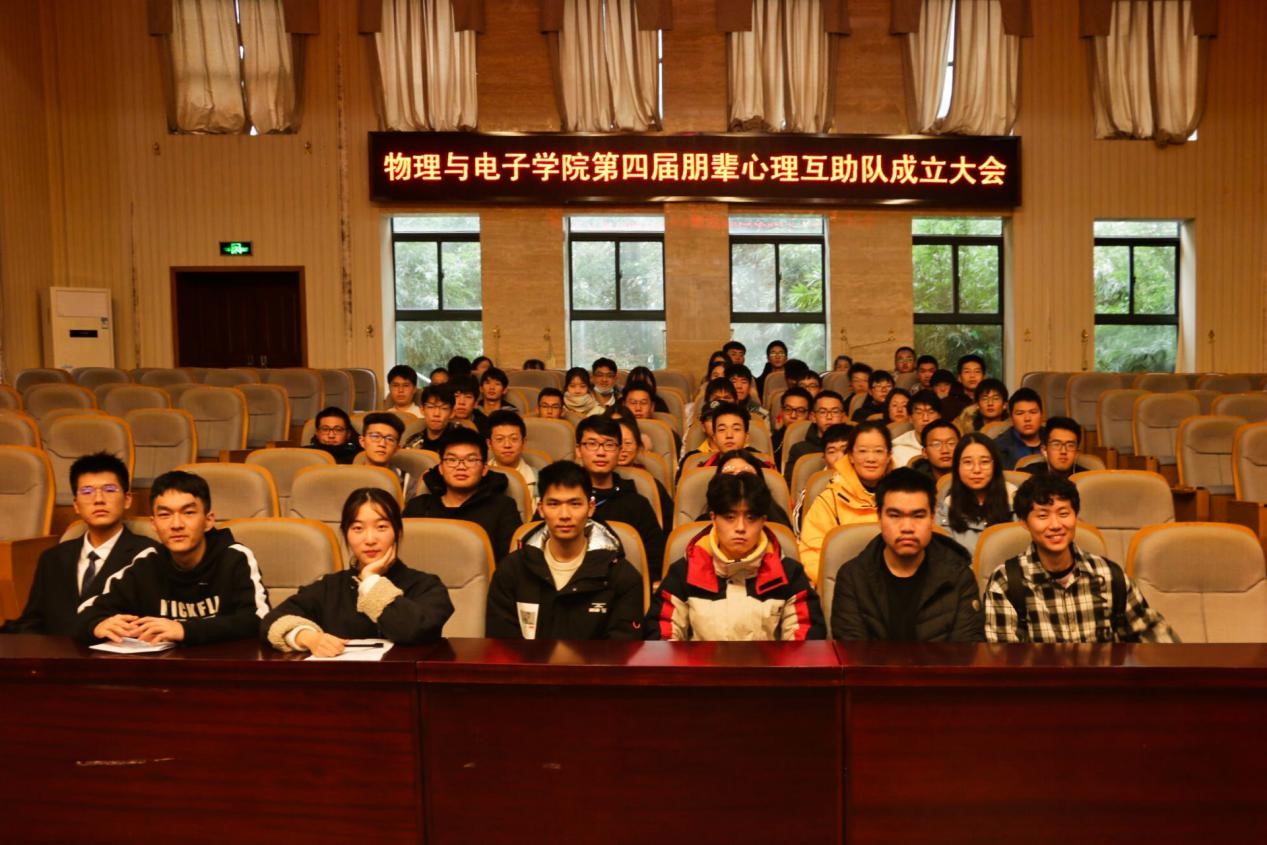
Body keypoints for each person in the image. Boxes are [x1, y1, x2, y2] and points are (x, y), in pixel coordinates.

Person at [74, 470, 270, 645]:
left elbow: (259, 620)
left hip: (223, 667)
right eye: (165, 515)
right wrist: (97, 625)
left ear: (208, 520)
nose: (176, 525)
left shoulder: (234, 558)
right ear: (154, 524)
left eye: (188, 513)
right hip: (162, 668)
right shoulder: (146, 563)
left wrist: (184, 630)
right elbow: (85, 612)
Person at [985, 474, 1178, 643]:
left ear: (1076, 516)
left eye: (1063, 513)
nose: (1055, 525)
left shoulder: (1109, 575)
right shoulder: (1006, 582)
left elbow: (1153, 634)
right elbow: (1004, 659)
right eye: (1043, 516)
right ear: (1024, 523)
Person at [261, 488, 453, 655]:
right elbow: (272, 622)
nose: (370, 539)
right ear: (346, 535)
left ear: (397, 532)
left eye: (381, 527)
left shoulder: (426, 586)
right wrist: (307, 637)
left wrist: (370, 581)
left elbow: (412, 630)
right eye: (358, 528)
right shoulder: (329, 587)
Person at [648, 472, 825, 641]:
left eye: (750, 518)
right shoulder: (685, 571)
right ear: (713, 518)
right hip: (699, 664)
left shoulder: (788, 573)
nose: (740, 527)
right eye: (730, 517)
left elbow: (805, 639)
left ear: (763, 521)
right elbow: (662, 633)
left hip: (768, 664)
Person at [4, 453, 159, 636]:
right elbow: (32, 622)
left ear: (127, 499)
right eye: (87, 491)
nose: (98, 499)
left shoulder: (150, 555)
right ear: (76, 505)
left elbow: (153, 626)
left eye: (109, 490)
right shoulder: (52, 558)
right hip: (55, 653)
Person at [486, 461, 645, 640]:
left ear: (590, 508)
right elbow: (501, 644)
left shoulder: (621, 575)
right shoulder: (511, 570)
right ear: (541, 509)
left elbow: (622, 649)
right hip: (528, 660)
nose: (564, 515)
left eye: (575, 504)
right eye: (554, 504)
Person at [830, 468, 983, 642]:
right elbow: (851, 652)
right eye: (895, 516)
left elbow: (966, 652)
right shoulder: (853, 578)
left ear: (932, 517)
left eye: (918, 516)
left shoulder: (959, 577)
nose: (907, 527)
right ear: (879, 517)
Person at [403, 427, 522, 561]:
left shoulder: (503, 508)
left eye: (471, 460)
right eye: (452, 460)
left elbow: (511, 564)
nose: (461, 467)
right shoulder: (417, 507)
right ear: (441, 468)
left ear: (484, 469)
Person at [799, 422, 893, 586]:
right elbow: (811, 556)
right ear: (850, 456)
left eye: (878, 451)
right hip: (844, 588)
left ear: (889, 456)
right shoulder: (830, 501)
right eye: (862, 451)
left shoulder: (905, 497)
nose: (871, 458)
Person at [573, 416, 666, 581]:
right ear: (578, 450)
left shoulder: (637, 504)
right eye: (592, 444)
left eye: (609, 445)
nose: (601, 452)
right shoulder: (563, 499)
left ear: (619, 451)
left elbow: (656, 562)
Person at [935, 433, 1017, 554]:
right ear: (957, 467)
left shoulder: (1016, 502)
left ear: (995, 465)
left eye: (984, 462)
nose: (977, 470)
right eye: (968, 462)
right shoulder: (945, 510)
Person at [697, 449, 793, 529]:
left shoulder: (778, 521)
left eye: (746, 475)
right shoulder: (703, 523)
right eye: (730, 474)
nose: (738, 481)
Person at [784, 390, 847, 484]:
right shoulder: (800, 450)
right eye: (823, 412)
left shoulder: (854, 445)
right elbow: (791, 486)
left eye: (835, 411)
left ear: (843, 416)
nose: (829, 417)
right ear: (813, 417)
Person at [360, 412, 415, 497]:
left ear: (397, 448)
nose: (382, 444)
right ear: (362, 441)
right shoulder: (348, 475)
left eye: (390, 439)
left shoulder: (407, 482)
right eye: (375, 436)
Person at [487, 410, 538, 501]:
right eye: (500, 439)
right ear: (489, 444)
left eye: (514, 439)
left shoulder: (537, 478)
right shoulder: (479, 476)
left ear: (523, 442)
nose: (507, 445)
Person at [993, 387, 1044, 470]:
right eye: (1020, 413)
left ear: (1042, 415)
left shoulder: (1053, 440)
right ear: (1011, 418)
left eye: (1033, 412)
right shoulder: (999, 447)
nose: (1027, 418)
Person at [1022, 417, 1089, 479]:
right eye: (1056, 444)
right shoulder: (1027, 475)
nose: (1063, 451)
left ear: (1077, 452)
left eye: (1070, 445)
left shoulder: (1088, 478)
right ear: (1044, 450)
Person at [891, 390, 943, 468]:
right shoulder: (898, 449)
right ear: (910, 418)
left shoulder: (949, 445)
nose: (925, 418)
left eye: (931, 412)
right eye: (919, 413)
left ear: (939, 416)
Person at [403, 384, 456, 451]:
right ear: (422, 410)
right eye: (431, 407)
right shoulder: (414, 442)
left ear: (452, 413)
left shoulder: (460, 440)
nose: (436, 414)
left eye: (444, 408)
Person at [772, 385, 812, 467]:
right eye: (788, 409)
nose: (793, 415)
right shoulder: (774, 441)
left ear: (810, 415)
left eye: (800, 411)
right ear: (781, 411)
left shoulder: (815, 442)